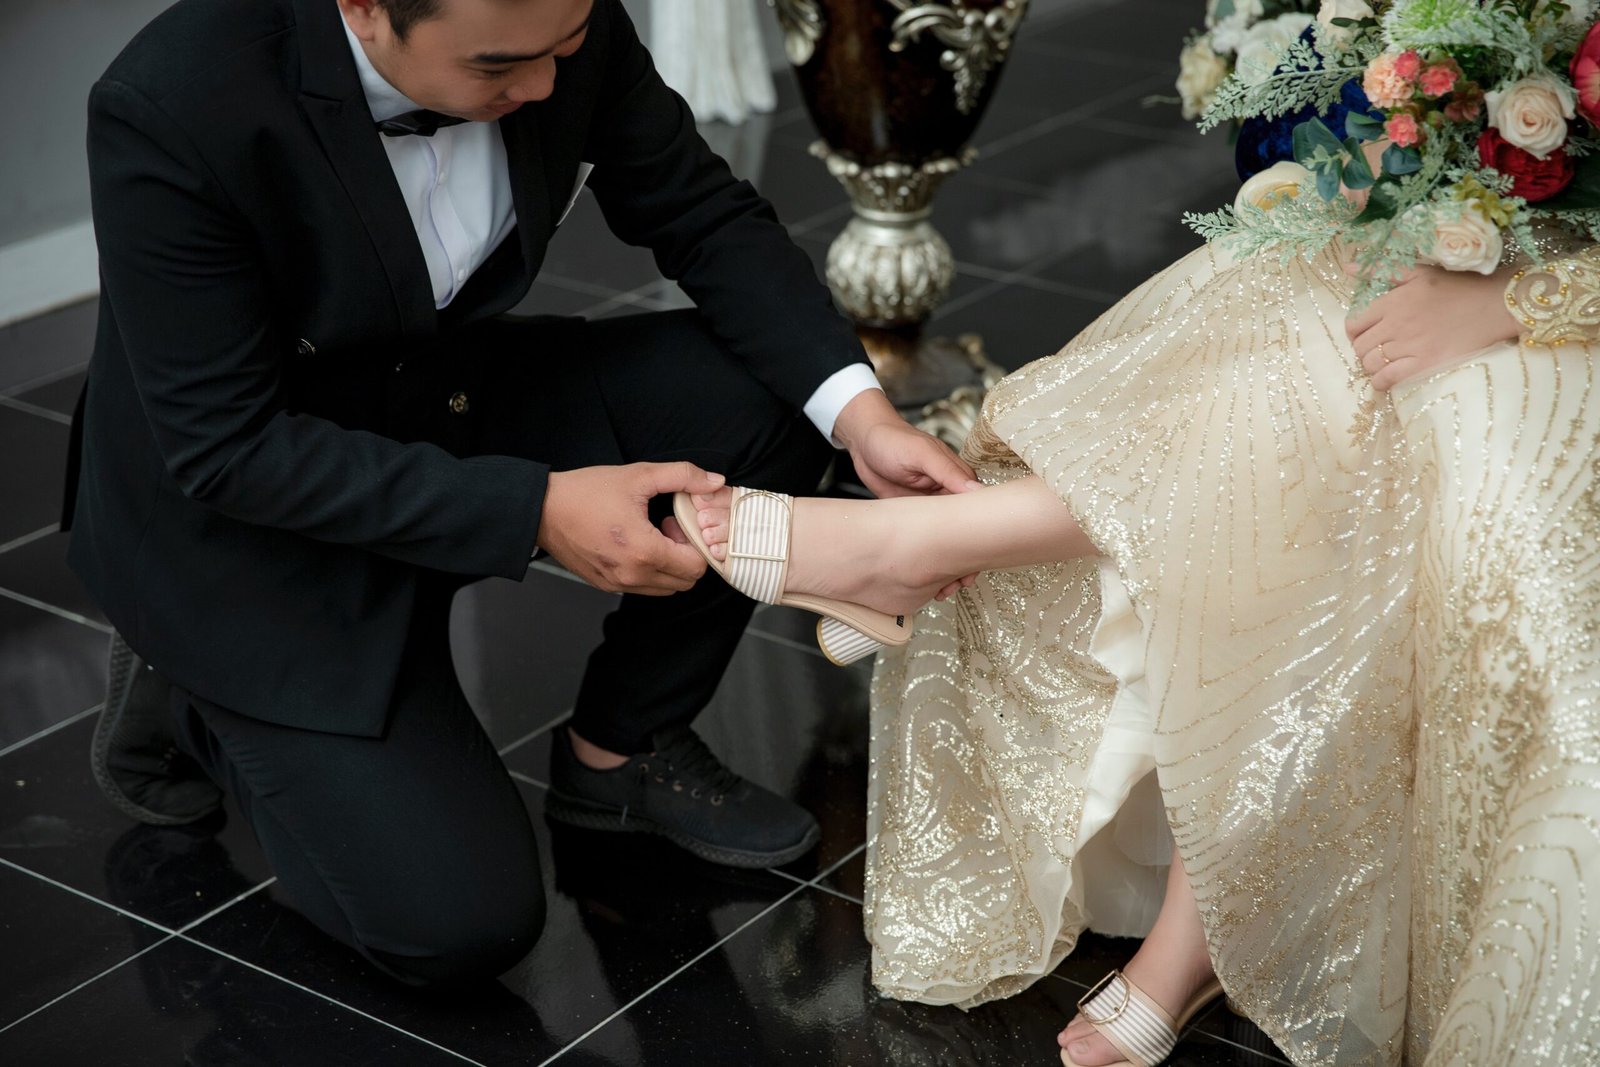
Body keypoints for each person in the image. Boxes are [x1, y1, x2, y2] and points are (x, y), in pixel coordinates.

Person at [69, 0, 974, 987]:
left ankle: (618, 752)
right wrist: (536, 507)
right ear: (363, 8)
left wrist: (862, 416)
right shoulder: (172, 104)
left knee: (774, 396)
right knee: (460, 926)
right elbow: (228, 447)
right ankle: (184, 691)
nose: (545, 87)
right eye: (500, 66)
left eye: (565, 51)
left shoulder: (551, 17)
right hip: (257, 510)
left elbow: (705, 215)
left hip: (442, 392)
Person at [680, 230, 1600, 1060]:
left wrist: (1520, 299)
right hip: (1502, 233)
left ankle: (918, 552)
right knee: (1280, 334)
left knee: (1365, 408)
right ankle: (923, 553)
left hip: (1558, 306)